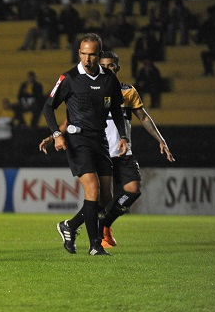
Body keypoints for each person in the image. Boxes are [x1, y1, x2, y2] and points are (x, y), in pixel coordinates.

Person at [40, 51, 174, 247]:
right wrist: (53, 136)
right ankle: (93, 233)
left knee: (133, 190)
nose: (106, 69)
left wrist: (160, 140)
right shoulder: (92, 88)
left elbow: (143, 117)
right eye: (104, 66)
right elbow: (71, 120)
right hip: (101, 149)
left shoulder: (127, 91)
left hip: (122, 150)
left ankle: (91, 224)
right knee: (101, 197)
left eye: (111, 66)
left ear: (117, 68)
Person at [42, 33, 129, 256]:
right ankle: (95, 245)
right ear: (79, 53)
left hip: (99, 139)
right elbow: (48, 107)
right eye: (83, 54)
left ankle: (69, 226)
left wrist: (123, 136)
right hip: (77, 139)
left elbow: (117, 111)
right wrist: (56, 135)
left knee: (106, 197)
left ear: (99, 55)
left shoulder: (109, 79)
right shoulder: (69, 78)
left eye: (91, 55)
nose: (86, 59)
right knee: (92, 188)